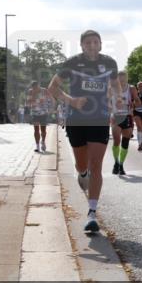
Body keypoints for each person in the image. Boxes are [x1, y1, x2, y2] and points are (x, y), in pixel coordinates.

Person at [48, 30, 120, 233]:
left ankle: (92, 213)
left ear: (100, 44)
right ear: (82, 45)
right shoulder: (72, 63)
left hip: (99, 118)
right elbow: (52, 87)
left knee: (96, 165)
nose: (91, 45)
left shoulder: (109, 63)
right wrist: (72, 101)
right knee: (82, 164)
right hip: (76, 119)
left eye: (95, 42)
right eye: (87, 42)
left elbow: (115, 85)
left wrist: (116, 101)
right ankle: (82, 172)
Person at [109, 71, 139, 176]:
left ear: (126, 78)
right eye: (119, 78)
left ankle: (121, 165)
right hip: (116, 117)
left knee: (125, 142)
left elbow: (138, 101)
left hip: (127, 117)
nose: (121, 80)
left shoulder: (131, 89)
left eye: (123, 78)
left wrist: (133, 103)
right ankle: (116, 162)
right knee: (116, 141)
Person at [26, 81, 53, 152]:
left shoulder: (44, 91)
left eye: (36, 88)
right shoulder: (30, 92)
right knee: (36, 130)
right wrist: (36, 101)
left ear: (39, 86)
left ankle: (43, 142)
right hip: (35, 114)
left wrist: (50, 108)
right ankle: (37, 146)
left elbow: (50, 99)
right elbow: (28, 103)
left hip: (43, 113)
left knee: (43, 130)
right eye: (33, 88)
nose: (35, 89)